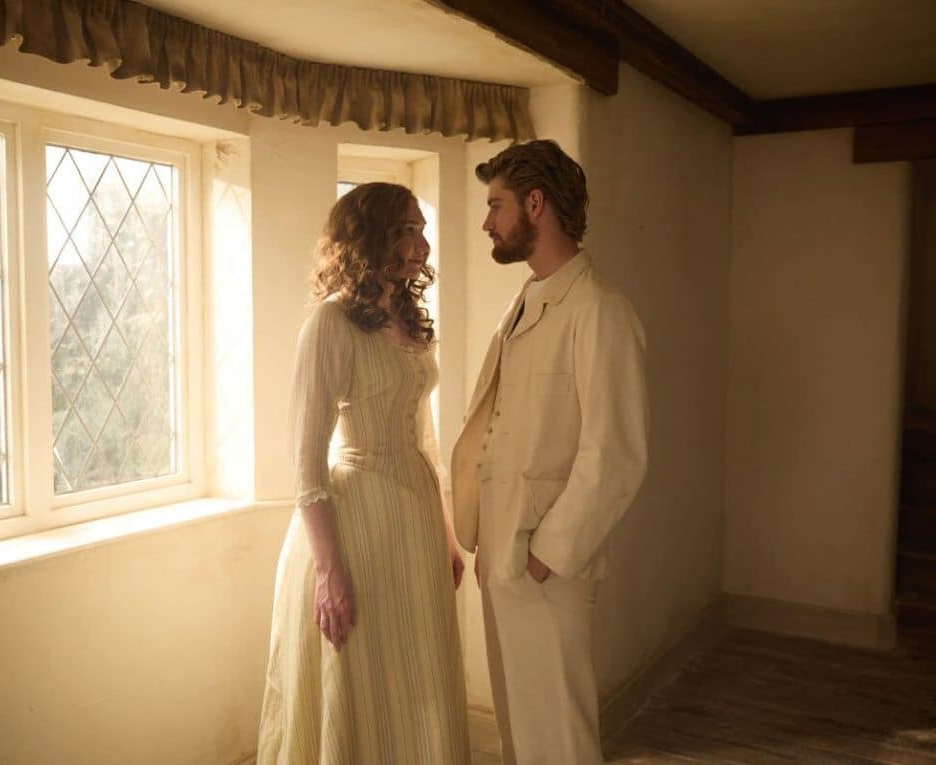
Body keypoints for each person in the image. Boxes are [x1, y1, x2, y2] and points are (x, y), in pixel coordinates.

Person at [257, 183, 470, 764]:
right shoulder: (329, 324)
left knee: (416, 674)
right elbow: (305, 461)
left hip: (416, 519)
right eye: (405, 228)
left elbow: (425, 435)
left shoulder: (405, 314)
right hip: (358, 526)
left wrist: (447, 534)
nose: (420, 242)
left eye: (421, 229)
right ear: (366, 236)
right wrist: (329, 572)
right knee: (362, 680)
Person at [451, 140, 649, 765]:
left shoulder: (600, 311)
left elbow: (615, 454)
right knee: (519, 732)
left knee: (558, 738)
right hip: (502, 554)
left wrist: (544, 556)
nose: (487, 222)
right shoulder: (526, 300)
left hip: (546, 564)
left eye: (496, 205)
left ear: (535, 204)